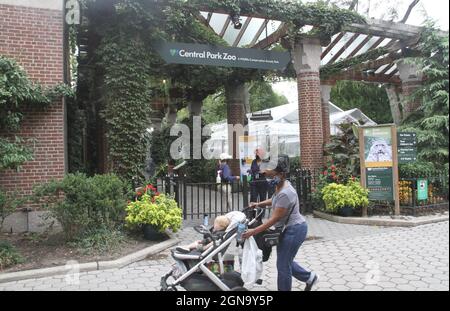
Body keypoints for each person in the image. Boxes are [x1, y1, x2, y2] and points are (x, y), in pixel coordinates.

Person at [242, 156, 318, 291]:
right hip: (288, 229)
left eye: (270, 174)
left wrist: (253, 232)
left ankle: (308, 278)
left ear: (281, 174)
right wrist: (258, 204)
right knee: (285, 261)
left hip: (294, 230)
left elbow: (274, 219)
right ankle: (309, 277)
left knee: (283, 265)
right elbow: (273, 200)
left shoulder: (286, 192)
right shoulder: (280, 186)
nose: (267, 176)